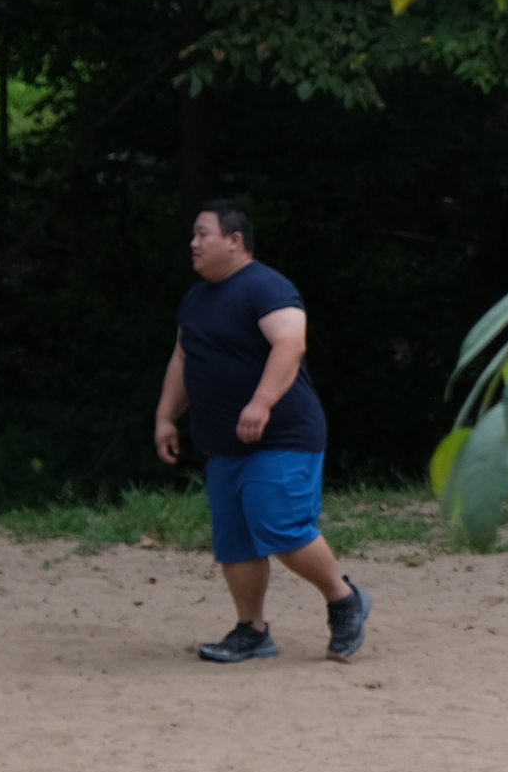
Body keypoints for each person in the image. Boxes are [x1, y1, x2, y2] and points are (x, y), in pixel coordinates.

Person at [154, 200, 370, 663]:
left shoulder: (265, 286)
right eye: (193, 235)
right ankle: (251, 631)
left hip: (282, 436)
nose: (193, 243)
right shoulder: (195, 300)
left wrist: (261, 402)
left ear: (235, 241)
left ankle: (344, 598)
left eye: (203, 234)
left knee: (280, 525)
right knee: (235, 541)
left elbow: (290, 341)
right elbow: (182, 358)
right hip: (224, 443)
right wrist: (165, 417)